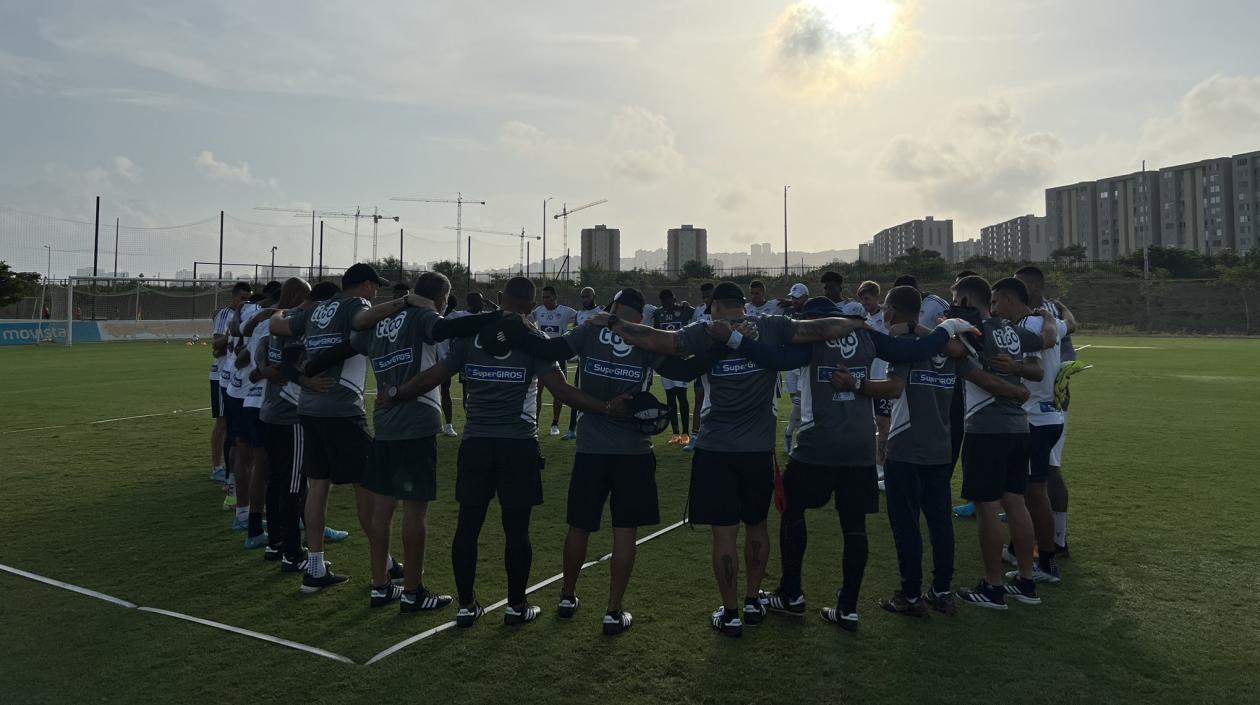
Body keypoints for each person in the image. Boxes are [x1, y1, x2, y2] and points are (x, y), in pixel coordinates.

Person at [595, 283, 873, 637]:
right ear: (742, 305)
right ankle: (754, 599)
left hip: (716, 449)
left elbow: (658, 340)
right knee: (757, 525)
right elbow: (817, 329)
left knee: (724, 534)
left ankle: (731, 613)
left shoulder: (704, 331)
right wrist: (854, 322)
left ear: (714, 307)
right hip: (757, 450)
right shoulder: (770, 325)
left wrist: (611, 323)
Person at [706, 298, 976, 632]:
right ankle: (848, 607)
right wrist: (947, 327)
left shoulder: (813, 341)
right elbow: (911, 351)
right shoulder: (867, 337)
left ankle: (792, 594)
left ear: (817, 322)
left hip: (816, 447)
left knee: (792, 514)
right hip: (860, 448)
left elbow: (774, 359)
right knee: (854, 526)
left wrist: (735, 340)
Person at [386, 276, 629, 628]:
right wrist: (607, 408)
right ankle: (516, 606)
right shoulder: (535, 341)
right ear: (532, 306)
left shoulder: (470, 336)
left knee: (468, 526)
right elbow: (562, 390)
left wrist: (396, 393)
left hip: (476, 444)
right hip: (518, 445)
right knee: (517, 530)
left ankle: (467, 605)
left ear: (499, 299)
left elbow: (435, 376)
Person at [501, 287, 714, 635]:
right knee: (624, 531)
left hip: (590, 448)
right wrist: (726, 344)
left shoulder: (589, 330)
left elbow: (548, 349)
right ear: (641, 316)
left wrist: (512, 325)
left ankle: (567, 597)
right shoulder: (644, 339)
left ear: (613, 308)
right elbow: (685, 371)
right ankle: (613, 612)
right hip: (633, 451)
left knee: (579, 526)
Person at [345, 272, 503, 611]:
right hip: (415, 420)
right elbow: (445, 330)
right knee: (414, 510)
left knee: (383, 509)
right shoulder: (425, 315)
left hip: (383, 423)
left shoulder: (384, 319)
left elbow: (355, 334)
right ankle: (413, 591)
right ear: (443, 299)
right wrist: (499, 315)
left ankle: (379, 585)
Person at [876, 286, 1027, 617]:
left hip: (905, 446)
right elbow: (982, 377)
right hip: (941, 448)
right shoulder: (952, 350)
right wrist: (1015, 391)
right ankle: (941, 592)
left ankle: (911, 596)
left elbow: (894, 388)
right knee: (940, 523)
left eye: (886, 308)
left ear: (891, 311)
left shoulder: (906, 345)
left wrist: (856, 387)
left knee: (906, 525)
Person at [268, 263, 396, 593]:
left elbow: (276, 326)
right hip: (342, 409)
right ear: (365, 286)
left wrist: (302, 376)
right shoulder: (357, 306)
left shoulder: (316, 310)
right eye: (374, 286)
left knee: (318, 486)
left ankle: (315, 568)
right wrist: (402, 304)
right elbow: (362, 322)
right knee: (366, 487)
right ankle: (383, 568)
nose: (376, 292)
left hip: (309, 409)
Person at [950, 275, 1056, 610]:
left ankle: (993, 587)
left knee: (986, 507)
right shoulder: (1011, 330)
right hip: (1019, 427)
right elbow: (1039, 364)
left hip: (986, 426)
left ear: (966, 301)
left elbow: (972, 372)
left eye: (956, 298)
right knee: (1016, 503)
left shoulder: (970, 330)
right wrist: (1019, 375)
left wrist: (1012, 388)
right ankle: (1026, 581)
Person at [253, 279, 336, 573]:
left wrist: (264, 367)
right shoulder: (297, 325)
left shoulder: (279, 321)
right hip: (291, 415)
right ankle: (292, 551)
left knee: (278, 481)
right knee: (293, 486)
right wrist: (305, 380)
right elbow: (290, 361)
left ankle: (275, 542)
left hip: (270, 412)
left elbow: (262, 348)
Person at [992, 276, 1067, 585]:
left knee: (1034, 493)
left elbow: (1039, 354)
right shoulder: (1044, 321)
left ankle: (1046, 562)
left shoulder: (1027, 328)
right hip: (1050, 415)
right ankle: (1018, 547)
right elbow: (1066, 325)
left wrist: (1012, 368)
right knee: (1024, 490)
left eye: (997, 301)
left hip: (1034, 418)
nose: (994, 309)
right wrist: (1052, 315)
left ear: (1010, 300)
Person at [1016, 266, 1079, 557]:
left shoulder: (1041, 318)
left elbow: (1064, 352)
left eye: (1019, 286)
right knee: (1036, 475)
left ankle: (1053, 542)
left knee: (1047, 473)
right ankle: (1044, 538)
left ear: (1033, 285)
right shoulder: (1046, 315)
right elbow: (1072, 324)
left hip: (1045, 406)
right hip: (1041, 407)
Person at [209, 282, 250, 488]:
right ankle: (217, 467)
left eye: (248, 298)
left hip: (235, 378)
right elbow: (216, 347)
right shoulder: (225, 315)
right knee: (223, 422)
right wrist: (233, 337)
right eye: (242, 298)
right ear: (234, 297)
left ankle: (230, 468)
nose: (245, 302)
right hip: (221, 377)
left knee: (234, 425)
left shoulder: (248, 314)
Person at [856, 280, 892, 489]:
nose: (864, 303)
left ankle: (882, 467)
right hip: (868, 379)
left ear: (877, 297)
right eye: (861, 299)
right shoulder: (862, 320)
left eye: (867, 298)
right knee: (872, 424)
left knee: (883, 423)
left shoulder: (886, 320)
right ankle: (875, 464)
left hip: (885, 379)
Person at [530, 285, 578, 437]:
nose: (545, 300)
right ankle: (535, 424)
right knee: (538, 390)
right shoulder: (538, 311)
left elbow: (580, 318)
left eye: (548, 297)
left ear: (555, 297)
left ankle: (555, 424)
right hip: (542, 355)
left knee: (558, 391)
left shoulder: (567, 311)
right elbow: (526, 319)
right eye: (543, 297)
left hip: (559, 354)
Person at [653, 290, 695, 445]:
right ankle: (675, 433)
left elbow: (694, 311)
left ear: (674, 299)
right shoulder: (658, 314)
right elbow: (655, 332)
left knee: (682, 397)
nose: (667, 305)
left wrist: (685, 304)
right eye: (664, 302)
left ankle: (686, 433)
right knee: (670, 398)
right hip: (665, 362)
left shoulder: (684, 311)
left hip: (681, 360)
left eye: (669, 301)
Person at [563, 287, 603, 440]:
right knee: (576, 394)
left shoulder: (602, 312)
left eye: (587, 296)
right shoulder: (579, 314)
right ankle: (572, 428)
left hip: (598, 362)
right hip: (583, 361)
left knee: (597, 395)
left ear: (594, 296)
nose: (585, 299)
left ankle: (597, 429)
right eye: (582, 297)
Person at [683, 282, 715, 452]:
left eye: (709, 295)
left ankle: (715, 434)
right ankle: (695, 436)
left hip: (719, 362)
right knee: (699, 398)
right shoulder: (699, 311)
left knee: (719, 399)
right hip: (702, 361)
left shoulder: (722, 310)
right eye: (704, 296)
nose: (707, 299)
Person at [781, 282, 810, 455]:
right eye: (792, 298)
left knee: (799, 406)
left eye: (797, 298)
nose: (794, 301)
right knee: (796, 404)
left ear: (806, 297)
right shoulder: (788, 312)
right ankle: (796, 440)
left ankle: (789, 434)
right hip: (790, 364)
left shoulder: (811, 313)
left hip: (803, 364)